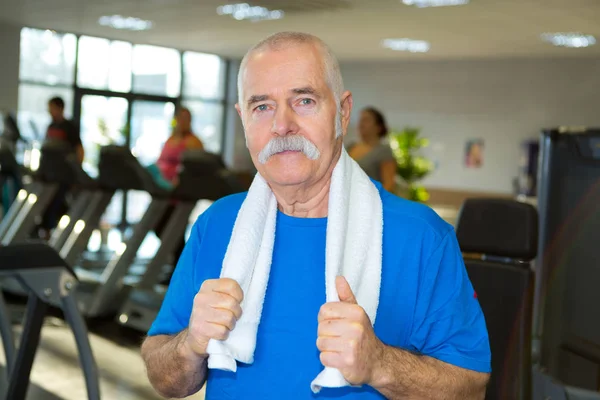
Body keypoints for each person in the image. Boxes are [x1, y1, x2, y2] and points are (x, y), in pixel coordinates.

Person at [141, 32, 491, 399]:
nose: (282, 125)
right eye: (262, 107)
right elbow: (164, 378)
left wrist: (380, 364)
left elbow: (470, 388)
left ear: (342, 111)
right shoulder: (216, 224)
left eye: (304, 101)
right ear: (243, 118)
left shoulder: (422, 237)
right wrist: (191, 343)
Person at [153, 107, 204, 277]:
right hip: (165, 192)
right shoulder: (170, 139)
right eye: (179, 118)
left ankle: (179, 270)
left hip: (182, 194)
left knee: (175, 232)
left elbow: (195, 167)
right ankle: (177, 267)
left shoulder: (193, 141)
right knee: (160, 227)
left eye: (186, 118)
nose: (182, 121)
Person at [39, 96, 84, 238]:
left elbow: (79, 149)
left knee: (59, 204)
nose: (49, 111)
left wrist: (77, 172)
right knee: (48, 204)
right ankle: (47, 234)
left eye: (51, 108)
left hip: (64, 175)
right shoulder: (51, 126)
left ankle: (60, 233)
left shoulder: (69, 126)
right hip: (50, 174)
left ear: (60, 108)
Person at [348, 107, 397, 192]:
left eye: (366, 120)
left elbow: (389, 184)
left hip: (370, 200)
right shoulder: (350, 147)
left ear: (378, 127)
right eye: (360, 120)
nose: (361, 124)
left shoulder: (383, 151)